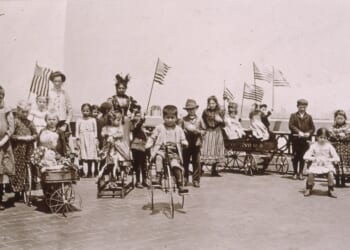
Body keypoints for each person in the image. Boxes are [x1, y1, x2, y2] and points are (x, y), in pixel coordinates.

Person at [145, 105, 189, 194]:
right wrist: (148, 144)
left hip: (173, 152)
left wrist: (184, 143)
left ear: (176, 118)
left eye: (172, 118)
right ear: (163, 117)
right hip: (161, 149)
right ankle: (158, 176)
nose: (170, 120)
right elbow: (152, 137)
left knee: (175, 165)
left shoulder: (179, 129)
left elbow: (183, 139)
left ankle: (180, 184)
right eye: (167, 118)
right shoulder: (159, 127)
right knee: (158, 158)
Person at [10, 100, 37, 201]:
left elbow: (36, 133)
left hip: (29, 147)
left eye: (27, 112)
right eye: (23, 112)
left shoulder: (30, 122)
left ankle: (28, 186)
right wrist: (21, 138)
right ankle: (17, 191)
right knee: (19, 168)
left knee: (29, 165)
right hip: (18, 148)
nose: (25, 114)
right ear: (18, 111)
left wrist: (32, 137)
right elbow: (11, 135)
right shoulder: (15, 122)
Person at [303, 128, 340, 198]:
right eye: (321, 137)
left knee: (331, 173)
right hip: (316, 165)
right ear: (317, 137)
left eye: (325, 138)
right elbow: (305, 156)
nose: (322, 139)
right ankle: (309, 187)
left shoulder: (329, 146)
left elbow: (337, 158)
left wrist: (329, 160)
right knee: (311, 173)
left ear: (327, 138)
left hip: (326, 165)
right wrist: (314, 158)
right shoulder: (314, 146)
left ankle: (331, 188)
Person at [99, 109, 132, 180]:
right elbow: (102, 133)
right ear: (111, 120)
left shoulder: (119, 128)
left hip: (117, 146)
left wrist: (114, 135)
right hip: (108, 147)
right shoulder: (106, 127)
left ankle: (120, 172)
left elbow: (121, 134)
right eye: (117, 120)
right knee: (107, 160)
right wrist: (106, 134)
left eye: (119, 120)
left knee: (120, 158)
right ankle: (108, 175)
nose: (119, 122)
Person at [107, 74, 138, 145]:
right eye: (119, 88)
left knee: (125, 139)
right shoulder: (112, 99)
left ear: (126, 89)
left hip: (126, 121)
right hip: (116, 121)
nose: (121, 90)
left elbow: (131, 110)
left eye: (123, 88)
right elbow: (109, 110)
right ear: (116, 88)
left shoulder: (128, 99)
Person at [289, 99, 315, 180]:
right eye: (300, 107)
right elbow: (291, 125)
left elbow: (312, 128)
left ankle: (300, 173)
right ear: (297, 107)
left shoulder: (309, 117)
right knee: (295, 156)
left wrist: (308, 133)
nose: (302, 109)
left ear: (306, 107)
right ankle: (294, 173)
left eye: (304, 107)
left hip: (304, 140)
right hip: (296, 139)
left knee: (303, 157)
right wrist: (298, 132)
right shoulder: (293, 115)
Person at [180, 99, 204, 187]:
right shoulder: (183, 120)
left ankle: (196, 180)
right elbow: (179, 130)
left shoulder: (200, 119)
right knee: (185, 162)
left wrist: (198, 131)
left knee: (196, 162)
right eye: (189, 109)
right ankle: (185, 179)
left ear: (196, 109)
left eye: (193, 109)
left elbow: (204, 130)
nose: (191, 111)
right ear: (186, 110)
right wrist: (184, 131)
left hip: (196, 143)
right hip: (186, 144)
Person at [201, 96, 225, 177]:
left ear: (216, 103)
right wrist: (203, 129)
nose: (211, 105)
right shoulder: (205, 112)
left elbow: (224, 124)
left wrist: (220, 120)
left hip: (217, 131)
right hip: (209, 131)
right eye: (210, 103)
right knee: (206, 149)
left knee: (216, 149)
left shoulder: (220, 112)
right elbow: (202, 121)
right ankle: (200, 169)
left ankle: (214, 170)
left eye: (213, 103)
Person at [0, 86, 15, 210]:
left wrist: (4, 140)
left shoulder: (7, 110)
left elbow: (11, 127)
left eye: (1, 95)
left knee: (1, 172)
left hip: (3, 145)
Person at [76, 104, 99, 177]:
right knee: (82, 154)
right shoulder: (79, 120)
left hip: (91, 138)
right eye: (84, 111)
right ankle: (81, 171)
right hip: (82, 137)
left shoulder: (93, 120)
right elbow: (77, 130)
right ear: (81, 111)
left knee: (90, 154)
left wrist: (95, 138)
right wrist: (77, 138)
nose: (85, 112)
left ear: (90, 111)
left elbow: (95, 130)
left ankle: (89, 171)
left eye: (87, 111)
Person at [130, 110, 148, 188]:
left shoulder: (141, 127)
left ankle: (144, 180)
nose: (138, 116)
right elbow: (137, 127)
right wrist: (142, 119)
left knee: (144, 165)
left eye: (139, 115)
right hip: (136, 147)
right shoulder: (134, 124)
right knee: (137, 166)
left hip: (143, 147)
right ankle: (138, 181)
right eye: (137, 115)